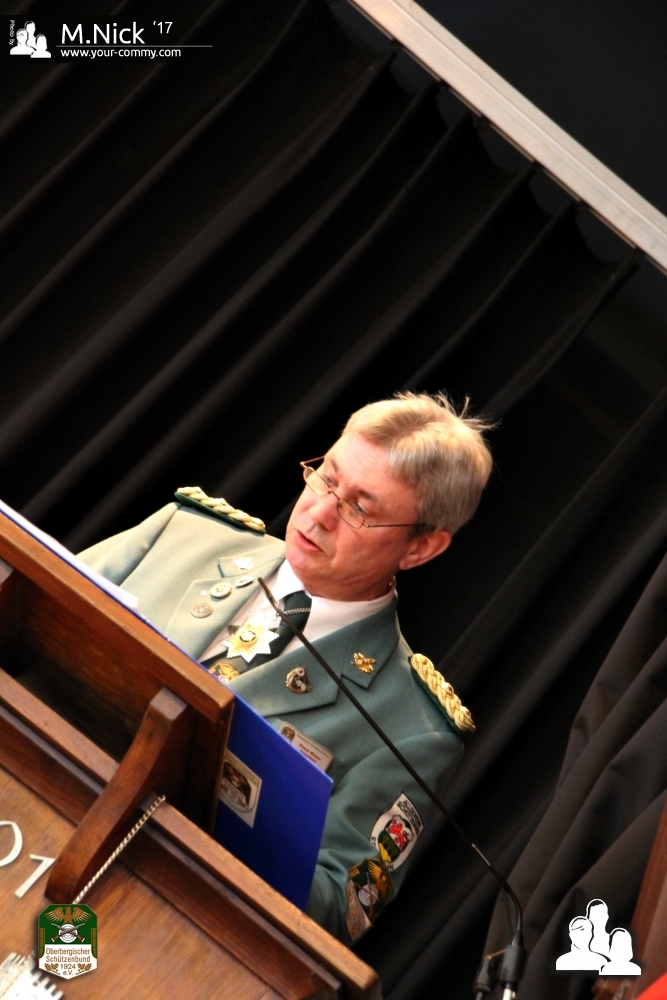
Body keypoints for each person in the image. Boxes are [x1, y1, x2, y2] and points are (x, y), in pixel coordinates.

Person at [78, 392, 493, 943]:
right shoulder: (183, 535)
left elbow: (334, 912)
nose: (318, 513)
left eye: (359, 509)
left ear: (420, 548)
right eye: (326, 477)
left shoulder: (411, 730)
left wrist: (237, 813)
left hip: (139, 920)